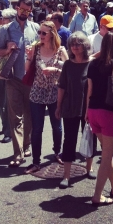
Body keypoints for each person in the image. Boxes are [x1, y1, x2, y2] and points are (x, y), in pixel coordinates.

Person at [85, 32, 113, 206]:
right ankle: (97, 195)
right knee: (106, 156)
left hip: (94, 111)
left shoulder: (93, 64)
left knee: (106, 152)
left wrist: (87, 112)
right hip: (110, 112)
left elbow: (89, 91)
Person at [0, 0, 40, 167]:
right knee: (15, 117)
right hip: (13, 79)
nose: (24, 13)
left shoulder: (36, 29)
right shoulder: (6, 29)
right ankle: (18, 153)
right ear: (16, 8)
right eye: (22, 10)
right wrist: (7, 49)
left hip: (31, 79)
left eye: (28, 11)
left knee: (29, 115)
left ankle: (26, 144)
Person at [24, 21, 68, 174]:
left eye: (44, 33)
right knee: (37, 129)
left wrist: (55, 68)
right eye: (39, 33)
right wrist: (29, 57)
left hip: (55, 92)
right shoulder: (36, 49)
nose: (40, 36)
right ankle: (36, 161)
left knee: (57, 126)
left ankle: (57, 152)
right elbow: (27, 69)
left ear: (52, 34)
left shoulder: (60, 50)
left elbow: (69, 70)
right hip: (37, 91)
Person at [56, 32, 95, 187]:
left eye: (78, 43)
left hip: (88, 108)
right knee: (69, 140)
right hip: (70, 106)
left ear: (85, 45)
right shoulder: (68, 65)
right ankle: (66, 175)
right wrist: (58, 107)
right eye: (72, 44)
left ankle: (89, 167)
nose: (74, 47)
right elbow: (62, 87)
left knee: (89, 138)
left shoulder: (91, 64)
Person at [0, 9, 17, 144]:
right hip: (2, 70)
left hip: (17, 71)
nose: (1, 21)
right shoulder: (3, 31)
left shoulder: (25, 29)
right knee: (2, 102)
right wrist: (7, 50)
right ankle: (7, 131)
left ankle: (16, 131)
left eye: (3, 18)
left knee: (14, 103)